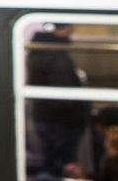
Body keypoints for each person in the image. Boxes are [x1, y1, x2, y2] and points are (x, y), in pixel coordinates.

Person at [28, 23, 89, 177]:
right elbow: (65, 95)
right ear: (63, 29)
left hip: (46, 117)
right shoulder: (56, 55)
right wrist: (79, 116)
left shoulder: (39, 49)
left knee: (51, 161)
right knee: (64, 165)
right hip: (61, 122)